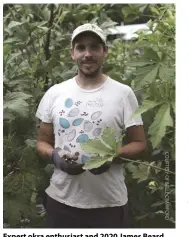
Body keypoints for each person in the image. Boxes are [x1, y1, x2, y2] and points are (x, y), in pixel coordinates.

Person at [35, 23, 147, 228]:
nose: (88, 54)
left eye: (95, 47)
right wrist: (55, 158)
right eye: (81, 48)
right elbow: (42, 141)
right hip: (61, 201)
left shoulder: (123, 94)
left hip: (108, 204)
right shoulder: (55, 93)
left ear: (105, 51)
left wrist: (111, 158)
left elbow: (139, 143)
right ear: (72, 53)